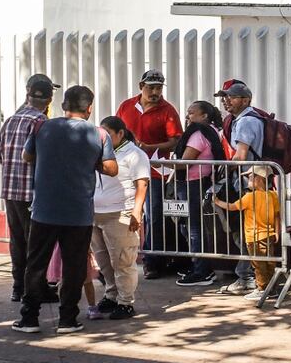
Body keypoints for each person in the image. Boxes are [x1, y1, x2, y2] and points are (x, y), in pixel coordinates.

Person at [12, 85, 117, 334]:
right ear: (89, 108)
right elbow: (112, 169)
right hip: (78, 212)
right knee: (74, 266)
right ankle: (68, 319)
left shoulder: (41, 127)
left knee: (36, 264)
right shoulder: (100, 134)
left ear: (63, 106)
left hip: (44, 210)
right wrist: (90, 163)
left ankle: (29, 319)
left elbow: (27, 157)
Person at [115, 69, 183, 279]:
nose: (155, 92)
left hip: (154, 170)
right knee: (122, 212)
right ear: (140, 86)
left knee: (153, 215)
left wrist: (149, 146)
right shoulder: (126, 106)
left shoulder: (168, 110)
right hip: (125, 169)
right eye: (151, 87)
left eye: (159, 87)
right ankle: (119, 257)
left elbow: (176, 140)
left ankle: (152, 260)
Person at [0, 74, 57, 302]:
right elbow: (47, 159)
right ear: (49, 101)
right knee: (37, 245)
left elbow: (0, 155)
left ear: (28, 96)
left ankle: (18, 287)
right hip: (33, 193)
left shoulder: (11, 120)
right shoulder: (41, 123)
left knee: (17, 241)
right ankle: (35, 290)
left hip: (10, 192)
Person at [90, 116, 150, 320]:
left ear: (120, 134)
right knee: (104, 260)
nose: (103, 139)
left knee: (123, 260)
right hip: (96, 213)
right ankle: (111, 294)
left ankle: (126, 301)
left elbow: (141, 184)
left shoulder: (135, 154)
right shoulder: (100, 152)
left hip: (120, 213)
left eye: (108, 134)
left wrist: (136, 211)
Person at [214, 81, 266, 294]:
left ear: (245, 100)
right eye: (224, 97)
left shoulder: (245, 122)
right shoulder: (245, 119)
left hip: (247, 183)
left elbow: (241, 155)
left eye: (231, 97)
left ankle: (248, 277)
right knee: (245, 231)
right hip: (248, 181)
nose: (226, 100)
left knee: (244, 231)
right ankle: (249, 275)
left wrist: (222, 168)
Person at [174, 101, 228, 287]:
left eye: (191, 113)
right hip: (197, 183)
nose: (188, 116)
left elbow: (185, 162)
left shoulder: (198, 134)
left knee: (194, 228)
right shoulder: (209, 131)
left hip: (193, 183)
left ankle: (201, 270)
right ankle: (198, 265)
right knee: (188, 226)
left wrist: (158, 163)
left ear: (204, 115)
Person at [213, 166, 280, 303]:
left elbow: (232, 207)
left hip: (254, 237)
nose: (247, 179)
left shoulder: (249, 197)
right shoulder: (273, 195)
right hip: (269, 235)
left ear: (259, 179)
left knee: (258, 264)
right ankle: (271, 288)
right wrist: (277, 232)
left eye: (250, 177)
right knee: (269, 262)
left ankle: (262, 289)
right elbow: (277, 216)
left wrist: (217, 201)